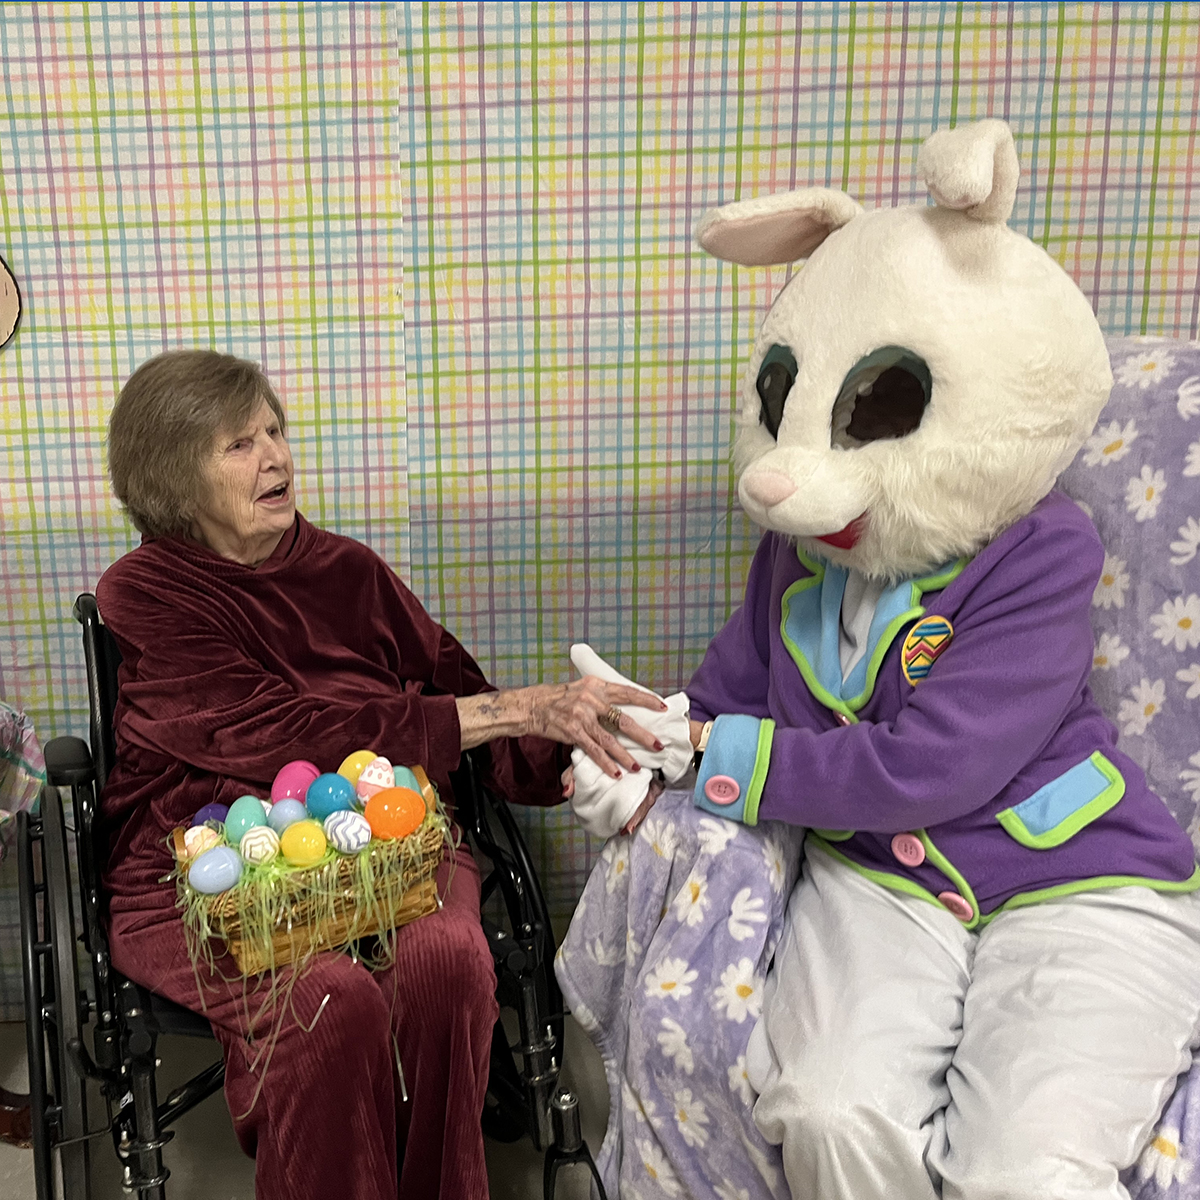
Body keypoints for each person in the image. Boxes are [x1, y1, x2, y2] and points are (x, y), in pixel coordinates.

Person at [97, 349, 665, 1200]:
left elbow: (462, 694)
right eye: (240, 445)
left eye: (276, 432)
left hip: (387, 844)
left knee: (447, 963)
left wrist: (581, 748)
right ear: (174, 478)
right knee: (330, 1003)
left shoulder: (347, 570)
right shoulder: (144, 592)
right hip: (212, 860)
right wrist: (517, 710)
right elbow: (270, 733)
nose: (277, 458)